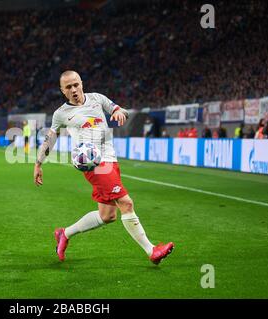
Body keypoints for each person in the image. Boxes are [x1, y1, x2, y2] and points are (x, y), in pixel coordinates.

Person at [33, 70, 174, 265]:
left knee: (107, 216)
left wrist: (118, 111)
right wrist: (38, 163)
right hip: (94, 165)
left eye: (76, 84)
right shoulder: (61, 113)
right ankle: (152, 251)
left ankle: (64, 233)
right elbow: (51, 138)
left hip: (111, 160)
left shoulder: (97, 99)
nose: (74, 89)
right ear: (62, 91)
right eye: (68, 87)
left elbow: (121, 110)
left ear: (82, 83)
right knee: (126, 203)